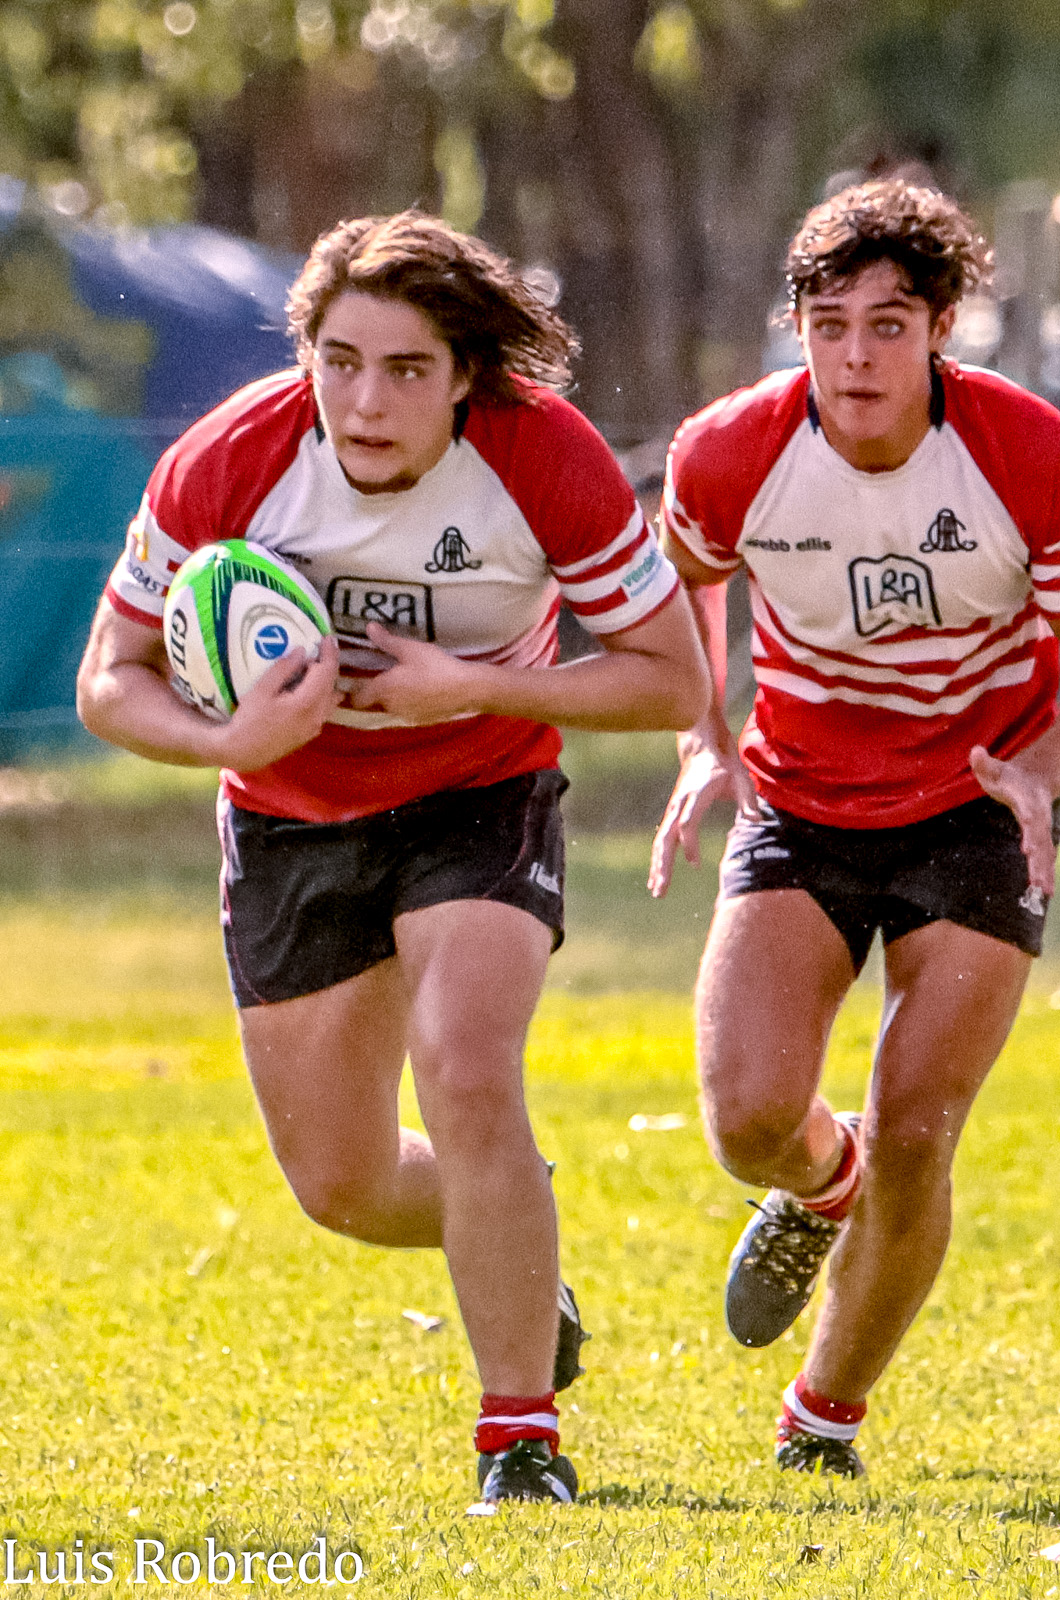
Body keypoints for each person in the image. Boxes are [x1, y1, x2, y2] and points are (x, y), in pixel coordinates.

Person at [77, 209, 710, 1506]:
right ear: (305, 355)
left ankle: (519, 1441)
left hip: (480, 790)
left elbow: (670, 682)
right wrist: (226, 737)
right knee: (346, 1187)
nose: (367, 401)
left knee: (470, 1071)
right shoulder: (230, 460)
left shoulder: (542, 457)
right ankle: (516, 1245)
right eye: (342, 361)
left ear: (466, 375)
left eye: (408, 369)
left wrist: (467, 685)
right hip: (287, 815)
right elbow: (107, 682)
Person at [649, 179, 1060, 1476]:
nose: (855, 356)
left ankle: (823, 1417)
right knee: (749, 1117)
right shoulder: (731, 450)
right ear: (796, 327)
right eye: (829, 324)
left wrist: (1046, 771)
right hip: (804, 801)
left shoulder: (1026, 453)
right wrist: (704, 736)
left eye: (888, 325)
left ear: (942, 331)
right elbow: (681, 589)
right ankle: (825, 1180)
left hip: (978, 805)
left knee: (922, 1122)